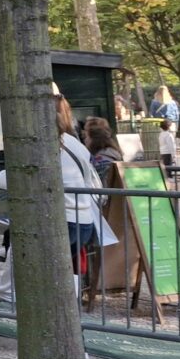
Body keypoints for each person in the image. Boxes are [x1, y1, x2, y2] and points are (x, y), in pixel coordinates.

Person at [59, 95, 117, 291]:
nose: (84, 135)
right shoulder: (81, 148)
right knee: (71, 263)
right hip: (84, 216)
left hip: (71, 215)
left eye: (87, 133)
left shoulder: (97, 156)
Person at [82, 117, 123, 183]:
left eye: (86, 136)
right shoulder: (113, 153)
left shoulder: (100, 160)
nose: (85, 140)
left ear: (94, 139)